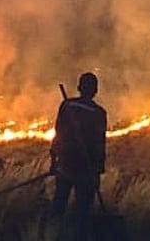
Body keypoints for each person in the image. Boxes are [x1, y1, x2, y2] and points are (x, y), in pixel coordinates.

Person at [49, 71, 108, 241]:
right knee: (82, 212)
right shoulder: (99, 113)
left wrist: (54, 161)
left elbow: (57, 135)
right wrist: (98, 171)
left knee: (59, 205)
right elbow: (99, 144)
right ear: (95, 90)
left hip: (66, 164)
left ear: (78, 88)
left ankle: (52, 235)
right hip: (86, 169)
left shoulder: (67, 105)